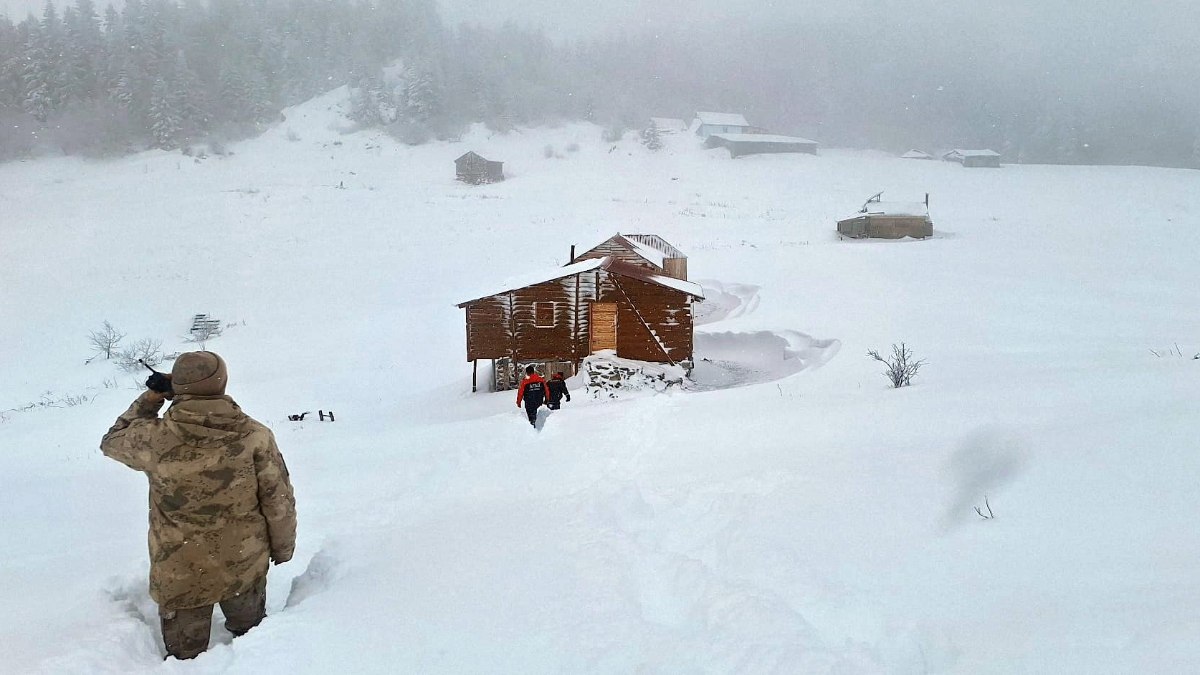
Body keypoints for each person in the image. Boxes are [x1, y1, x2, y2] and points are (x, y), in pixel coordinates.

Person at [100, 351, 297, 660]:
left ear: (177, 387)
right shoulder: (255, 436)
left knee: (185, 660)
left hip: (181, 572)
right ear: (222, 383)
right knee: (256, 647)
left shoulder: (155, 439)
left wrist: (151, 399)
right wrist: (283, 548)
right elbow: (278, 500)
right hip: (244, 564)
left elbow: (113, 441)